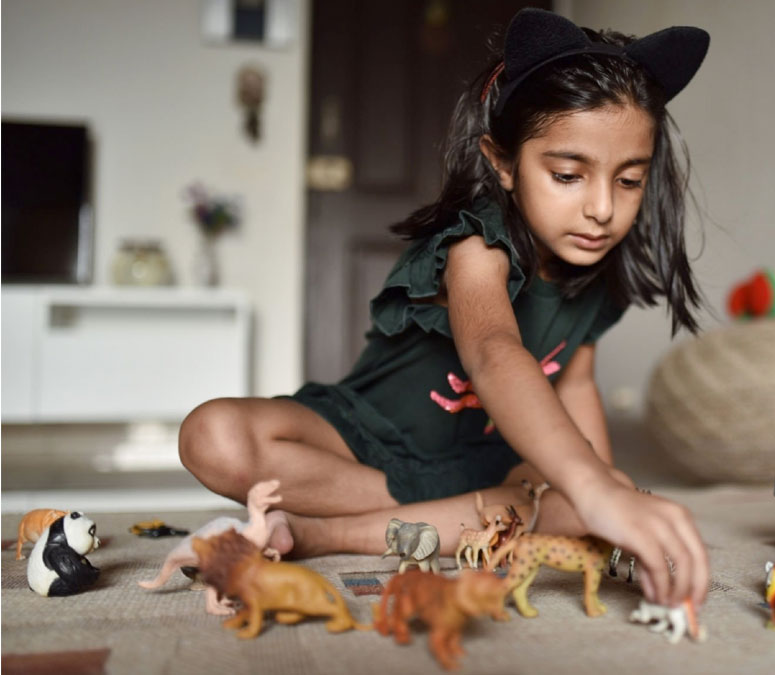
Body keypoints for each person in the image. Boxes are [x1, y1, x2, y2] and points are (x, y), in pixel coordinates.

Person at [179, 8, 711, 608]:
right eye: (568, 175)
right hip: (363, 441)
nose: (603, 209)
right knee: (212, 436)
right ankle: (435, 514)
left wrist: (604, 494)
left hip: (487, 466)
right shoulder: (476, 243)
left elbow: (575, 385)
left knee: (583, 496)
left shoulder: (595, 276)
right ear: (503, 163)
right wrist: (589, 488)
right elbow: (492, 352)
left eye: (629, 181)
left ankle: (317, 532)